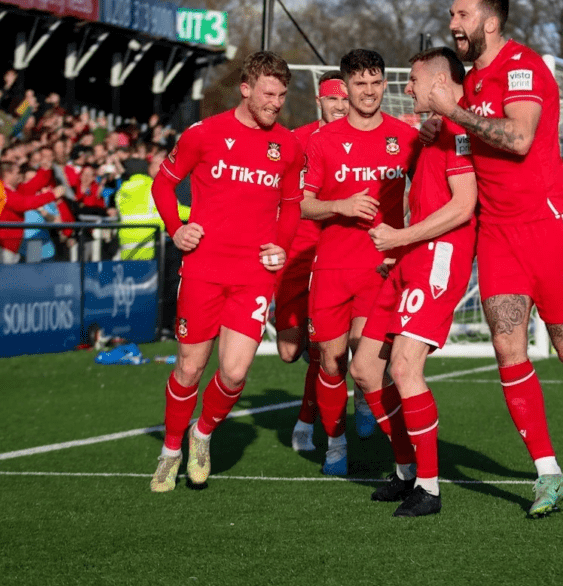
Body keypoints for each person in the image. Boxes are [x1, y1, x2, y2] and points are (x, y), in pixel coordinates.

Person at [427, 0, 563, 516]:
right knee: (507, 348)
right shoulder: (470, 82)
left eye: (461, 15)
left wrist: (451, 113)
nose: (453, 23)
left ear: (489, 22)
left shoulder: (522, 67)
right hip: (498, 235)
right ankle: (549, 474)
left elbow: (520, 139)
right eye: (452, 15)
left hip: (550, 228)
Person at [147, 51, 304, 492]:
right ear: (246, 88)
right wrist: (176, 229)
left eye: (282, 95)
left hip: (254, 274)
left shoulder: (288, 146)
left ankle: (202, 436)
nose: (276, 102)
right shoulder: (205, 134)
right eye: (269, 93)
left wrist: (282, 244)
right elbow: (163, 182)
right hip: (203, 269)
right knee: (189, 368)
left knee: (234, 373)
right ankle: (170, 450)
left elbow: (291, 205)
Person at [348, 47, 477, 517]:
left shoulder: (459, 130)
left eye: (414, 80)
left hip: (439, 255)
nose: (407, 89)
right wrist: (401, 249)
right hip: (410, 257)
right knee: (364, 369)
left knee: (404, 367)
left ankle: (430, 487)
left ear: (441, 83)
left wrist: (401, 236)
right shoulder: (432, 133)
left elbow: (463, 206)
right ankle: (406, 472)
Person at [301, 49, 420, 476]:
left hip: (382, 267)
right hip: (332, 267)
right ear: (345, 88)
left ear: (384, 84)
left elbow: (428, 194)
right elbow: (305, 205)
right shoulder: (323, 140)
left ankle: (374, 412)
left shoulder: (406, 136)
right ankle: (335, 444)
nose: (368, 91)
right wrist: (343, 205)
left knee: (366, 359)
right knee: (329, 359)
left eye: (375, 82)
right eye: (359, 84)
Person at [272, 70, 376, 452]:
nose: (339, 105)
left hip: (341, 254)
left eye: (344, 99)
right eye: (332, 99)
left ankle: (307, 421)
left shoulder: (364, 138)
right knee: (288, 351)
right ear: (320, 102)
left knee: (330, 347)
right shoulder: (296, 140)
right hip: (298, 253)